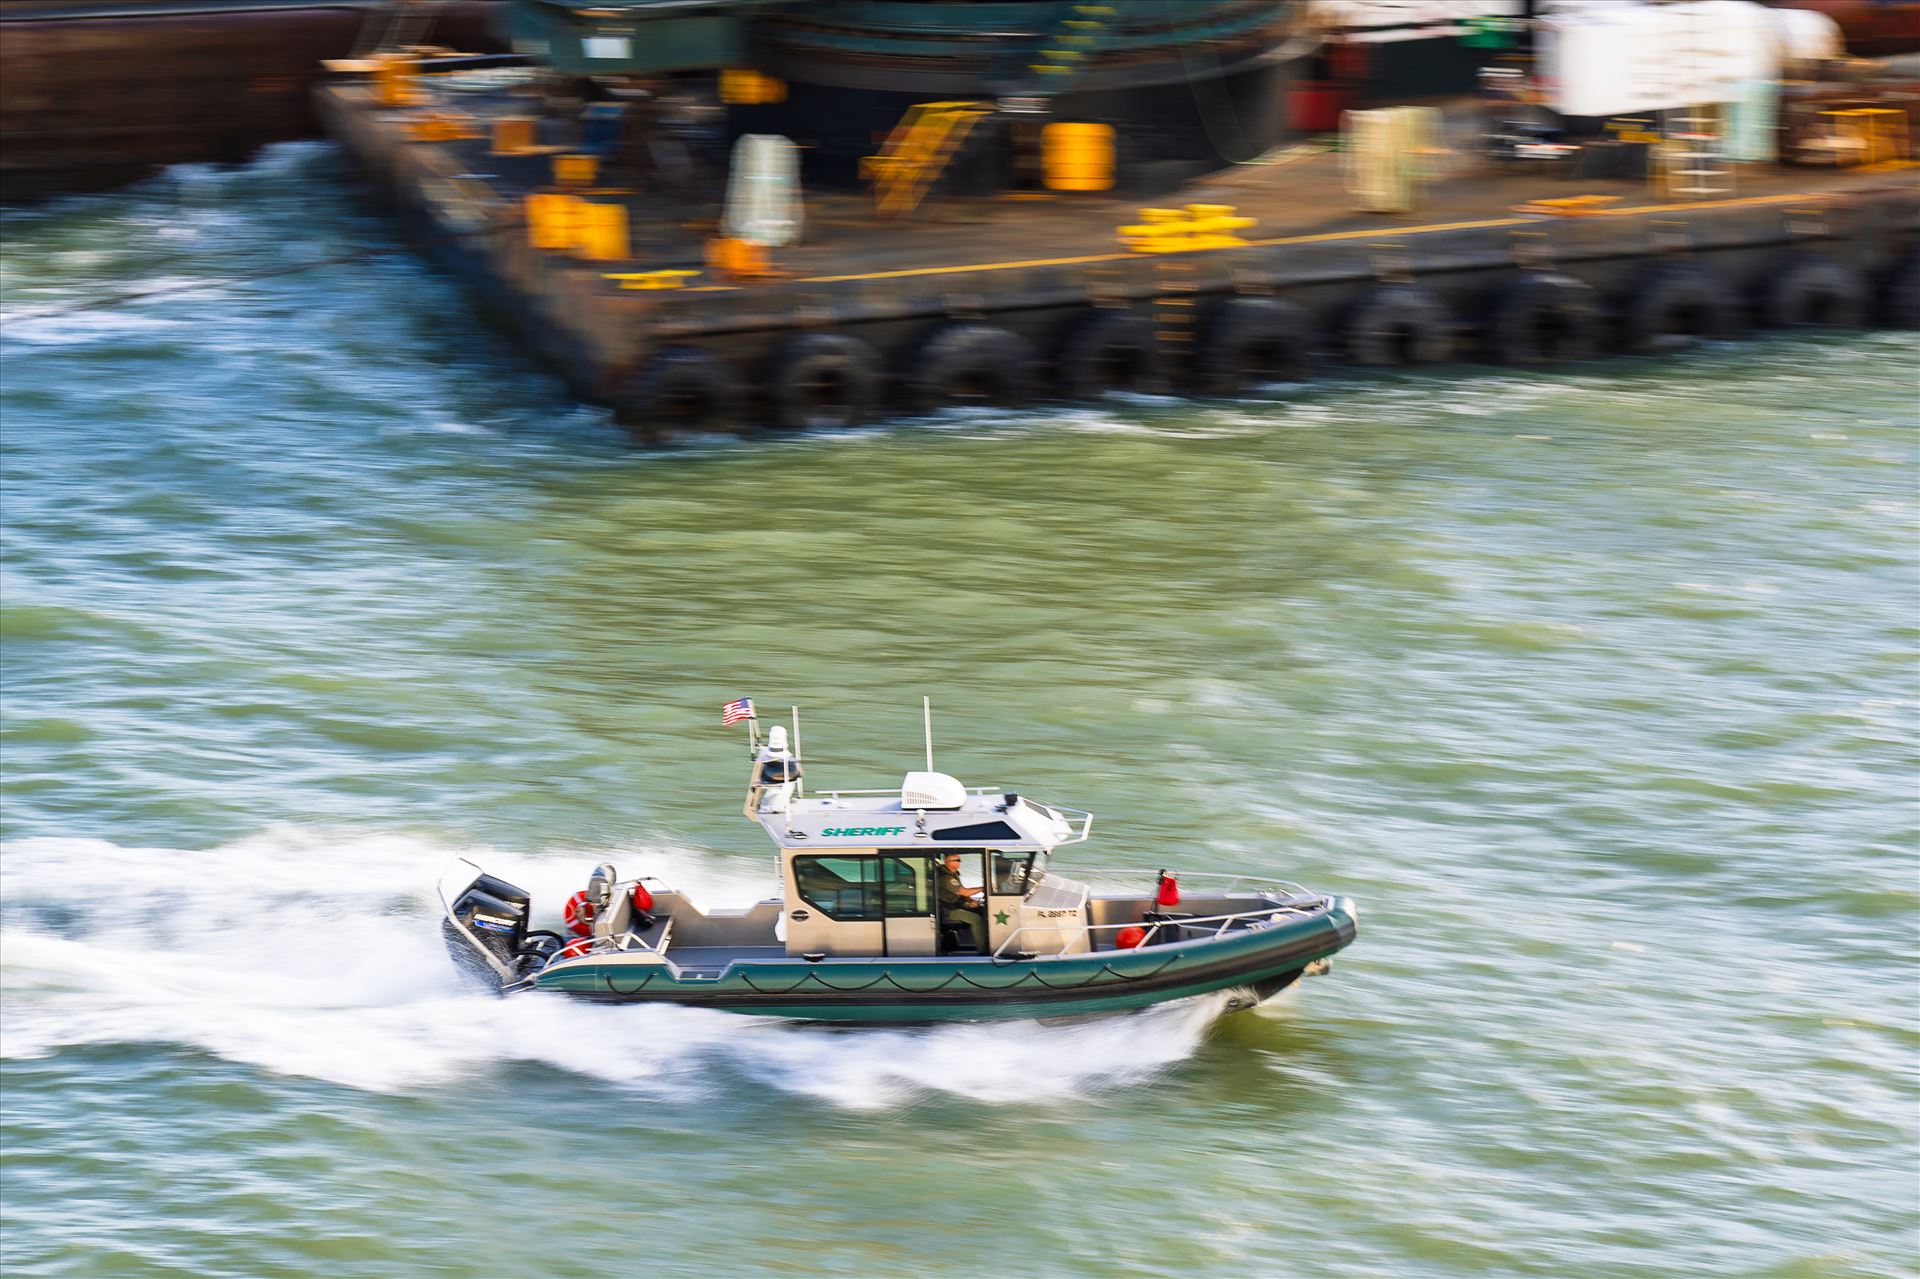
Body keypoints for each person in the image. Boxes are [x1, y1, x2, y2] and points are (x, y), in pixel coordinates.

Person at [937, 853, 987, 953]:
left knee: (982, 911)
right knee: (976, 919)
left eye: (959, 860)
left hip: (956, 906)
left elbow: (961, 894)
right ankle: (983, 951)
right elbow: (963, 891)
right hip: (948, 911)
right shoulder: (946, 878)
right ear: (948, 862)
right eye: (957, 860)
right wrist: (983, 888)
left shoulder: (953, 874)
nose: (959, 863)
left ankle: (985, 942)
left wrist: (970, 901)